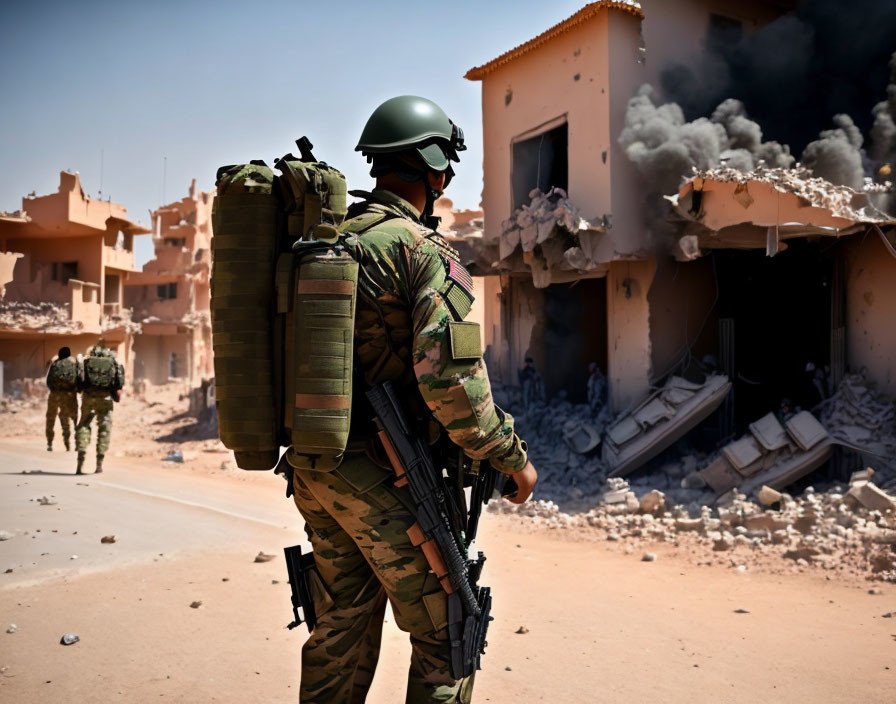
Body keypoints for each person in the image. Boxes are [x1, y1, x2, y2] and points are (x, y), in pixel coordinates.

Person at [286, 95, 537, 704]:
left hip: (316, 465)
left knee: (339, 626)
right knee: (448, 636)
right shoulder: (421, 252)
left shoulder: (326, 244)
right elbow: (451, 383)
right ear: (435, 169)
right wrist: (511, 456)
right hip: (390, 473)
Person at [75, 338, 124, 474]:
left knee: (84, 425)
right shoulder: (113, 362)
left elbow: (79, 381)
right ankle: (99, 464)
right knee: (104, 429)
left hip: (88, 398)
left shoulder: (86, 361)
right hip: (106, 399)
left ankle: (80, 462)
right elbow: (119, 383)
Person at [45, 346, 79, 452]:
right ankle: (77, 443)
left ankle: (50, 443)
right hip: (70, 395)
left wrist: (55, 390)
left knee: (51, 418)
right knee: (74, 418)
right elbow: (78, 379)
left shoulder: (55, 364)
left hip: (55, 394)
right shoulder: (74, 364)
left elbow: (49, 382)